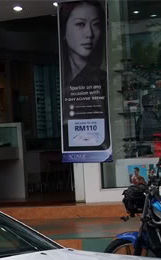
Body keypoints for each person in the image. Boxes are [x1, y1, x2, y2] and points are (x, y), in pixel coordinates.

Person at [59, 0, 111, 152]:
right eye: (80, 24)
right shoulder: (65, 80)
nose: (89, 34)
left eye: (95, 24)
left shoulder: (102, 80)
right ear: (63, 30)